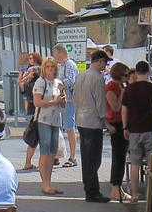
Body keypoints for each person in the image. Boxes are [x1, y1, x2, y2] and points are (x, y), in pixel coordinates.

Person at [122, 60, 152, 201]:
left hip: (134, 129)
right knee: (151, 164)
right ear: (148, 72)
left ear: (136, 72)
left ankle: (134, 194)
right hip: (151, 129)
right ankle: (151, 196)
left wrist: (125, 126)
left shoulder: (129, 89)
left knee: (134, 164)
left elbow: (124, 109)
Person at [75, 50, 111, 202]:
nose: (105, 66)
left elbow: (75, 97)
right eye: (105, 62)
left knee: (86, 157)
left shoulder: (81, 75)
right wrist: (105, 121)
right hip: (93, 122)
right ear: (100, 61)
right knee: (94, 158)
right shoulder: (97, 78)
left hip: (81, 119)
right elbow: (100, 102)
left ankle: (89, 188)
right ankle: (92, 191)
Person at [33, 57, 68, 195]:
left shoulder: (58, 82)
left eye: (52, 66)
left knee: (53, 152)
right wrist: (54, 101)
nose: (50, 69)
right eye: (47, 67)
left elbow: (62, 103)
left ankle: (49, 183)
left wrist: (62, 96)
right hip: (44, 120)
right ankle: (45, 184)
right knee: (45, 151)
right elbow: (37, 102)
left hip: (56, 120)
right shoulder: (41, 82)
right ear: (43, 68)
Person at [104, 62, 131, 201]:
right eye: (125, 75)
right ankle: (116, 188)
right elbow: (114, 107)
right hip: (116, 123)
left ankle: (118, 187)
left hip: (121, 122)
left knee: (120, 156)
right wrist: (123, 94)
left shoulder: (120, 86)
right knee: (118, 157)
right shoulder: (111, 86)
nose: (127, 78)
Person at [54, 45, 79, 168]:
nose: (55, 57)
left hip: (68, 100)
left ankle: (73, 157)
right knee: (62, 128)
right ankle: (57, 156)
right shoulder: (62, 66)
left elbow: (71, 80)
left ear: (59, 53)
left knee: (70, 128)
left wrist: (59, 84)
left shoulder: (69, 64)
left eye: (55, 54)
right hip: (62, 100)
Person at [19, 53, 43, 171]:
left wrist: (24, 77)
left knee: (33, 139)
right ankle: (37, 163)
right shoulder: (36, 84)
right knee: (38, 139)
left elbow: (21, 86)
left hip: (32, 112)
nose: (27, 73)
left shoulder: (29, 84)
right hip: (37, 113)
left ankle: (28, 163)